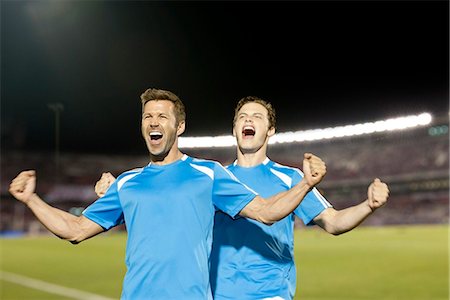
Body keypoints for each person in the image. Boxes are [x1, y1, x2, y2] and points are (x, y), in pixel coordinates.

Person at [9, 88, 327, 300]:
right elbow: (75, 230)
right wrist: (31, 200)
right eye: (148, 116)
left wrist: (305, 184)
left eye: (162, 116)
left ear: (180, 126)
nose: (154, 122)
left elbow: (265, 211)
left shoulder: (209, 175)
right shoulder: (127, 183)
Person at [94, 95, 390, 300]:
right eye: (242, 117)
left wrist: (368, 205)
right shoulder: (210, 179)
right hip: (216, 292)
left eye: (257, 117)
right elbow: (164, 205)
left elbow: (334, 221)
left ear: (270, 130)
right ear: (235, 128)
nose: (248, 120)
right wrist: (116, 189)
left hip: (268, 292)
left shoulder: (289, 178)